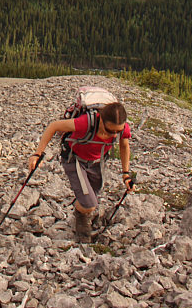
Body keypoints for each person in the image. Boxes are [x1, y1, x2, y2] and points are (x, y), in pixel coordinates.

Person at [28, 101, 132, 241]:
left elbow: (124, 146)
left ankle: (82, 209)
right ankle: (81, 224)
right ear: (101, 118)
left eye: (118, 131)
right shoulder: (85, 123)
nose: (113, 135)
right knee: (89, 204)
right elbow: (54, 126)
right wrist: (37, 153)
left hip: (97, 162)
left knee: (91, 197)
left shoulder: (122, 128)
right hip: (74, 160)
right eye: (109, 130)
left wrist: (126, 174)